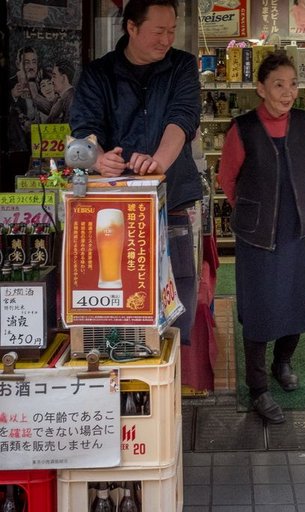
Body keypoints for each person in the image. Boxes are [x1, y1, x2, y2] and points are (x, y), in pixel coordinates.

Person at [69, 0, 202, 345]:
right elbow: (84, 131)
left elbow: (183, 119)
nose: (167, 39)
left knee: (178, 300)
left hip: (171, 202)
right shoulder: (99, 73)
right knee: (120, 302)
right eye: (159, 31)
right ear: (131, 27)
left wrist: (158, 162)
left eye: (172, 31)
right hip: (114, 211)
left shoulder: (182, 66)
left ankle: (175, 381)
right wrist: (99, 160)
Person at [217, 52, 305, 425]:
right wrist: (253, 210)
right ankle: (258, 388)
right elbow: (227, 178)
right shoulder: (242, 127)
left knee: (297, 300)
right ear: (260, 89)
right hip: (257, 234)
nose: (288, 92)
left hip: (296, 227)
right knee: (260, 310)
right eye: (279, 84)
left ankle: (283, 362)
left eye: (293, 84)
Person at [9, 46, 40, 151]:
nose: (31, 66)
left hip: (42, 140)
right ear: (18, 64)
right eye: (27, 63)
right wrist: (13, 95)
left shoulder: (44, 83)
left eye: (34, 62)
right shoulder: (9, 84)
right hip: (18, 143)